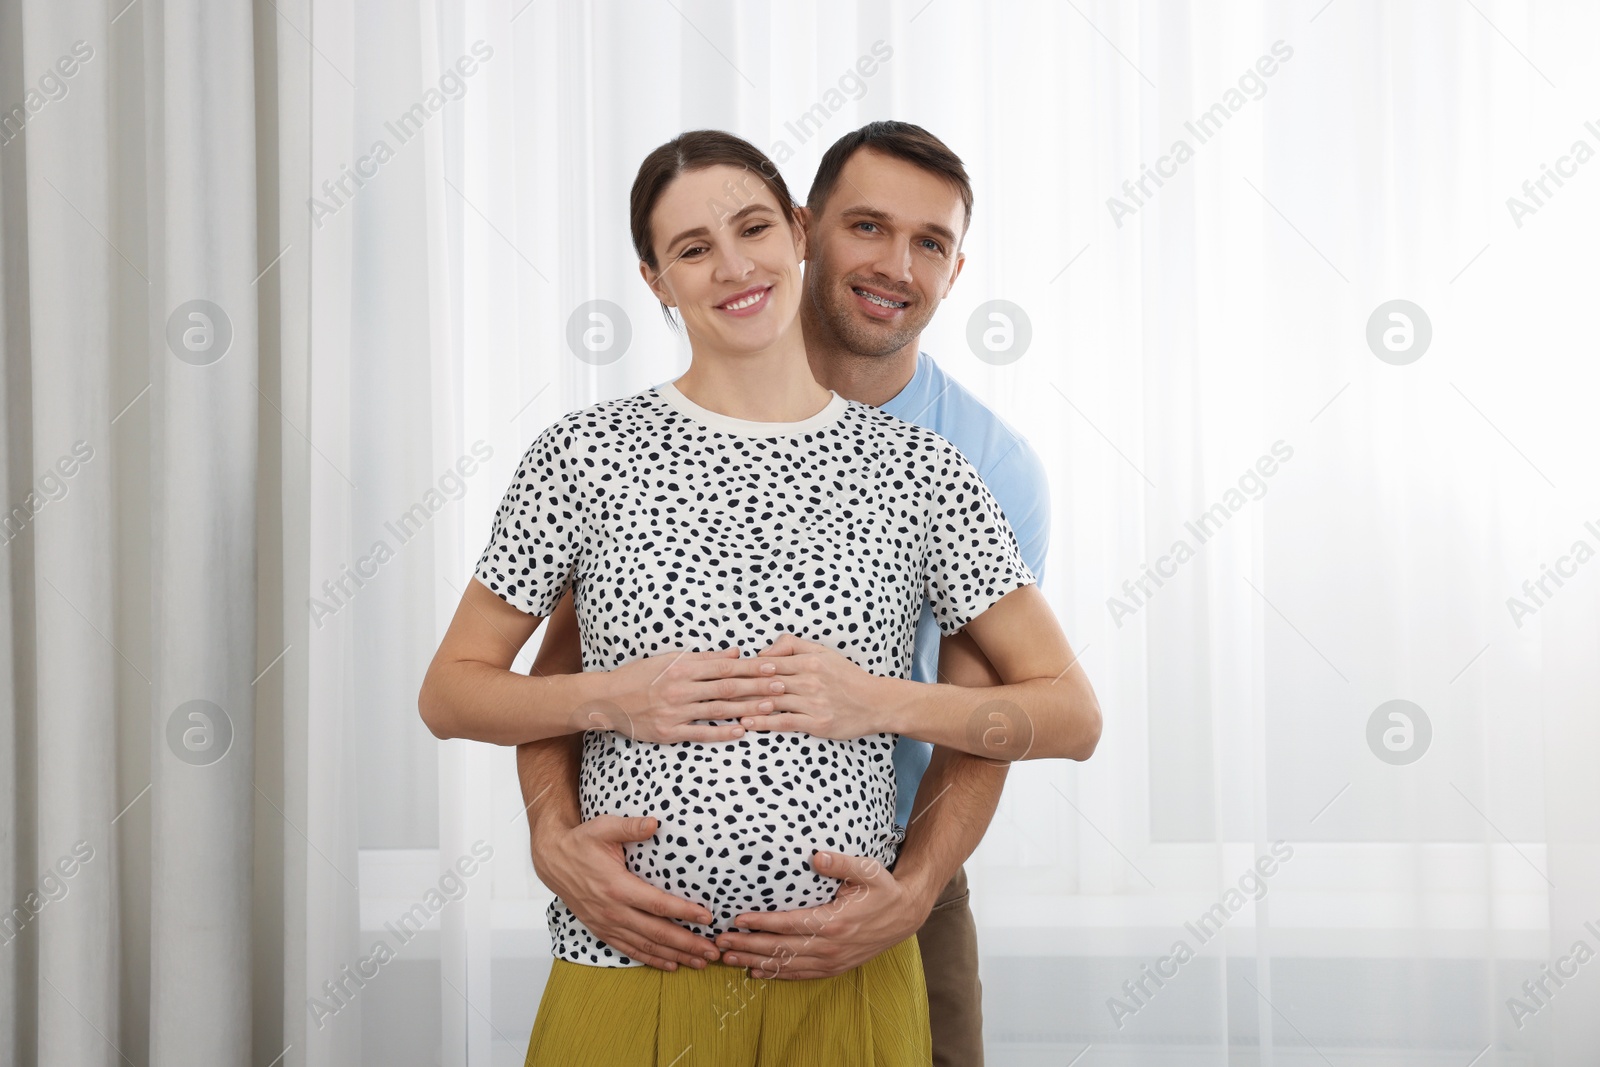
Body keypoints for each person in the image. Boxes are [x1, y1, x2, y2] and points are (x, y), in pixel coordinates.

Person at [419, 129, 1101, 1066]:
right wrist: (563, 803)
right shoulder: (590, 456)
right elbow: (506, 681)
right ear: (657, 278)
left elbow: (1047, 711)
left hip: (872, 928)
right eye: (694, 248)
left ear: (789, 234)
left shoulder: (952, 469)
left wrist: (879, 715)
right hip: (628, 957)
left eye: (751, 230)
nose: (734, 265)